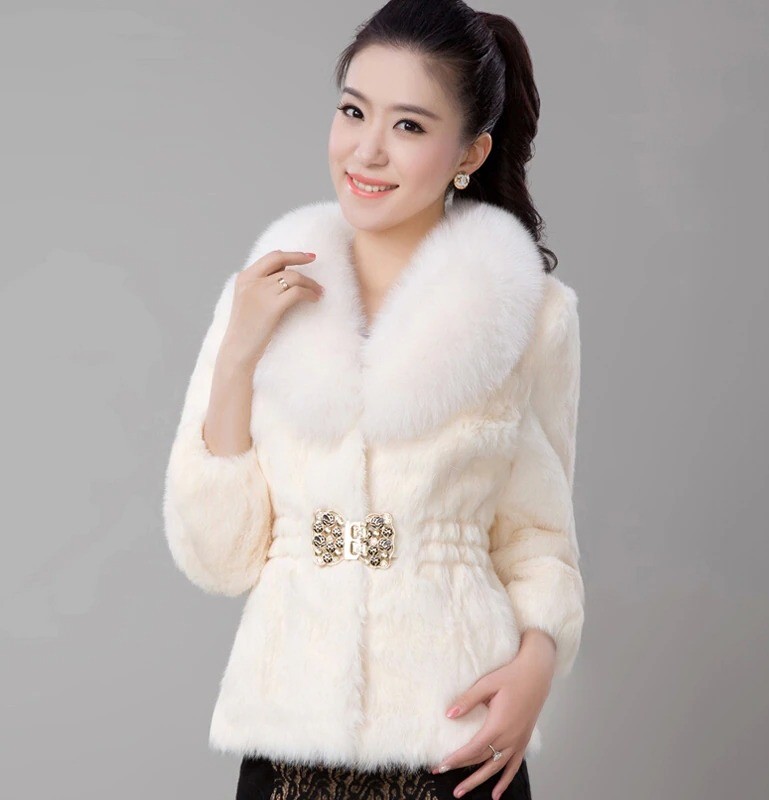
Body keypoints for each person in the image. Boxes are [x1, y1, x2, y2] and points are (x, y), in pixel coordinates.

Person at [162, 1, 585, 798]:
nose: (367, 150)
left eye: (410, 126)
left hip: (456, 740)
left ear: (470, 152)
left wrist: (537, 665)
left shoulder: (529, 315)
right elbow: (218, 559)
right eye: (353, 111)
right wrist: (237, 359)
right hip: (288, 740)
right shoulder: (257, 301)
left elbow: (540, 538)